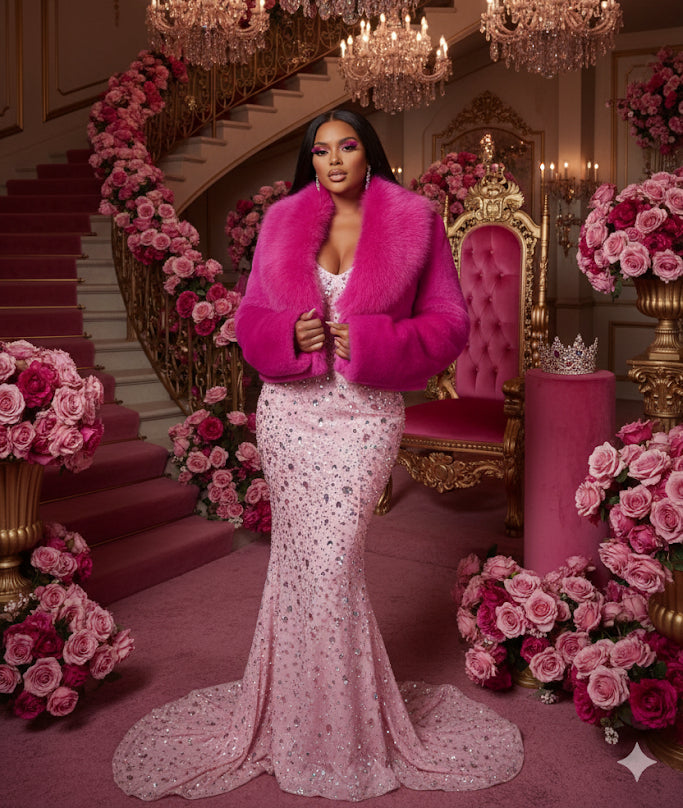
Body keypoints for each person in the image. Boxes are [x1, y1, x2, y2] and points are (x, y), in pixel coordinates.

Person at [113, 109, 523, 801]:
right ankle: (298, 721)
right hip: (291, 416)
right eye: (322, 149)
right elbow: (248, 322)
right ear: (312, 158)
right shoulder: (282, 223)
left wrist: (365, 341)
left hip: (362, 416)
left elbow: (449, 326)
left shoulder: (413, 221)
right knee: (301, 567)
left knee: (333, 566)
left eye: (348, 146)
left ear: (369, 153)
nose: (334, 160)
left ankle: (341, 732)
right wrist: (287, 329)